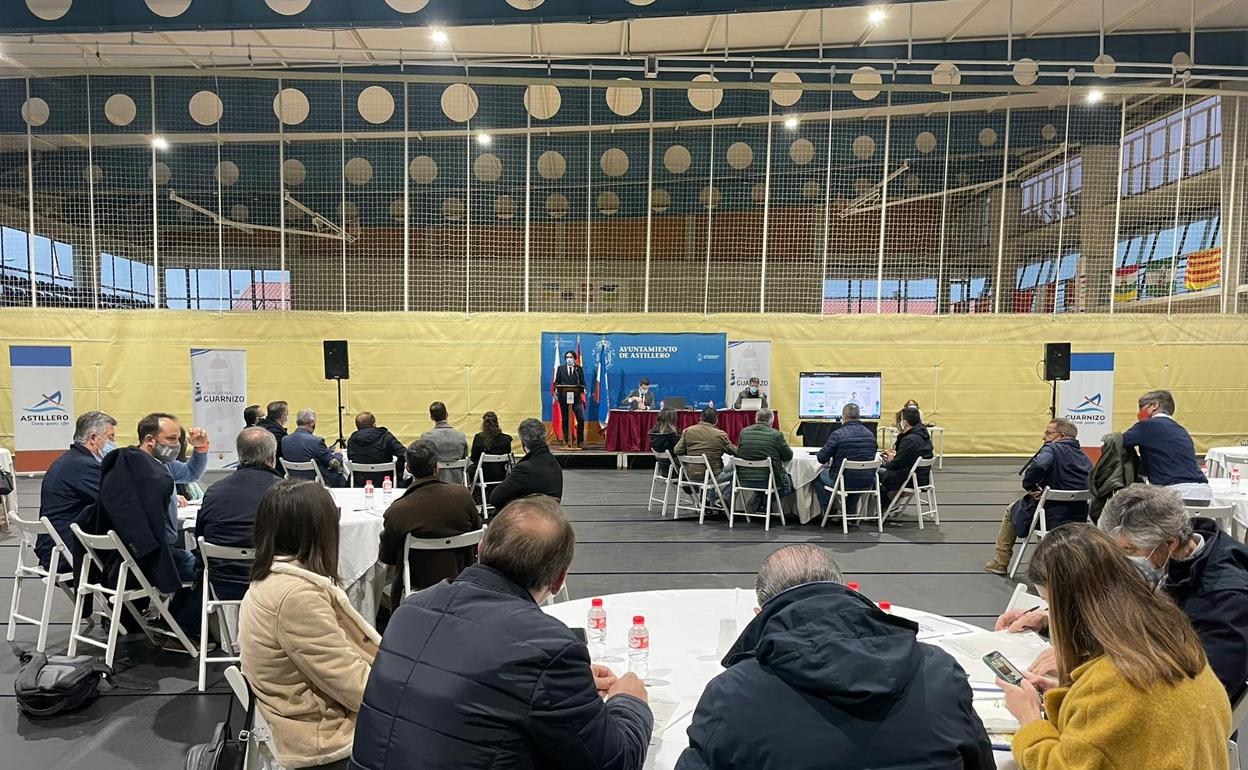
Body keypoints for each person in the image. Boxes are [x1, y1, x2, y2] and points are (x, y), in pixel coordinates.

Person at [349, 496, 652, 770]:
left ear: (480, 549)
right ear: (559, 580)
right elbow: (615, 762)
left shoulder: (410, 612)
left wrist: (565, 689)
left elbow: (466, 681)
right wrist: (629, 701)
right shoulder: (548, 648)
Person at [676, 544, 994, 770]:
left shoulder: (732, 694)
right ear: (844, 591)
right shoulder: (940, 671)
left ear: (761, 613)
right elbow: (979, 760)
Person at [996, 525, 1231, 770]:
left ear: (1070, 606)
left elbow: (1062, 765)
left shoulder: (1111, 683)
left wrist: (1030, 720)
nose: (1050, 614)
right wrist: (1071, 695)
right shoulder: (1170, 639)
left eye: (1048, 603)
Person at [239, 480, 380, 770]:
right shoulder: (296, 596)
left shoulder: (274, 581)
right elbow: (351, 683)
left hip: (302, 718)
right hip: (321, 736)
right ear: (318, 530)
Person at [1098, 483, 1248, 701]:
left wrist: (1111, 668)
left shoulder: (1223, 597)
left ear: (1170, 543)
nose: (1124, 560)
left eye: (1131, 550)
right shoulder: (1169, 559)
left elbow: (1209, 690)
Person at [84, 413, 203, 637]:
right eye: (171, 439)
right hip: (149, 561)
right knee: (206, 568)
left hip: (118, 562)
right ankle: (180, 629)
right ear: (150, 440)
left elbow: (190, 473)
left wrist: (201, 448)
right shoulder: (153, 476)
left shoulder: (130, 464)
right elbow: (163, 535)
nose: (177, 445)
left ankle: (170, 621)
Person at [377, 439, 483, 603]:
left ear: (408, 468)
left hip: (418, 584)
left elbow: (387, 556)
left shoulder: (398, 511)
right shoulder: (462, 496)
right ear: (437, 467)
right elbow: (477, 533)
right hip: (462, 577)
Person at [985, 419, 1093, 575]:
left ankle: (1000, 562)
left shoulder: (1051, 449)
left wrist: (1030, 486)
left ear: (1061, 436)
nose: (1044, 437)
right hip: (1078, 520)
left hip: (1050, 516)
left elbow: (1041, 464)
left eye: (1048, 433)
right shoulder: (1085, 457)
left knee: (1011, 510)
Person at [194, 427, 283, 600]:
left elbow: (201, 535)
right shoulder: (285, 491)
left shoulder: (214, 491)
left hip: (222, 582)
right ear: (272, 458)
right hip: (272, 580)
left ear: (239, 455)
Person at [36, 410, 116, 571]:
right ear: (93, 438)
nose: (114, 442)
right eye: (110, 437)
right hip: (69, 554)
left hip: (53, 549)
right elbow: (115, 500)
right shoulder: (84, 466)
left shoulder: (68, 461)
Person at [1123, 389, 1211, 500]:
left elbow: (1118, 441)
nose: (1140, 412)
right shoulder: (1181, 430)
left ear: (1155, 405)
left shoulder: (1147, 426)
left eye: (1142, 407)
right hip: (1203, 492)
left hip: (1173, 493)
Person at [813, 403, 878, 520]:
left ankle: (829, 508)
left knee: (816, 476)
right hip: (867, 481)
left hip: (843, 481)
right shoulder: (870, 435)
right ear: (859, 416)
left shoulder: (837, 435)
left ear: (844, 417)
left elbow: (821, 458)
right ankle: (851, 513)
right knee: (857, 473)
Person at [489, 418, 563, 511]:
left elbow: (495, 498)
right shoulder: (553, 463)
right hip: (552, 515)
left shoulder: (525, 469)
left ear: (523, 442)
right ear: (544, 437)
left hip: (531, 519)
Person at [733, 407, 794, 499]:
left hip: (743, 479)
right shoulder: (776, 435)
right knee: (789, 486)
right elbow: (788, 457)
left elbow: (740, 452)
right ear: (771, 421)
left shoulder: (744, 432)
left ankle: (761, 501)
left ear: (756, 419)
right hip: (766, 480)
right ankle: (763, 502)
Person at [880, 406, 933, 512]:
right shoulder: (924, 436)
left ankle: (882, 506)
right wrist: (898, 455)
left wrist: (888, 461)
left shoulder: (909, 439)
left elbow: (897, 464)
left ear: (905, 421)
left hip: (907, 478)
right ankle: (887, 505)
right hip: (922, 477)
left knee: (875, 472)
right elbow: (909, 457)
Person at [281, 408, 349, 488]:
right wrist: (338, 454)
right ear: (312, 423)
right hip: (316, 481)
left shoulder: (285, 440)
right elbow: (334, 463)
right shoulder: (316, 441)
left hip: (294, 481)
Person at [346, 411, 406, 488]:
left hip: (359, 483)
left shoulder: (352, 440)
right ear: (374, 424)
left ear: (357, 427)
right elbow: (403, 454)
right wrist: (398, 469)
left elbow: (350, 458)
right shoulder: (386, 436)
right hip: (386, 482)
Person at [674, 406, 736, 479]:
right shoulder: (720, 435)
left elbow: (677, 450)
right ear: (716, 420)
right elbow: (734, 452)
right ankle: (714, 490)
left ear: (700, 418)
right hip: (713, 474)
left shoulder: (687, 431)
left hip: (690, 473)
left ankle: (707, 490)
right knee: (735, 470)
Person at [419, 401, 469, 484]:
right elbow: (465, 459)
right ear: (447, 414)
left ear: (431, 417)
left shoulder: (425, 437)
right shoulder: (461, 436)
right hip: (457, 483)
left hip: (434, 484)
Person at [468, 410, 513, 488]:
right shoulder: (507, 439)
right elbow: (506, 460)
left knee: (468, 470)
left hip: (482, 475)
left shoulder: (478, 438)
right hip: (500, 475)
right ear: (497, 423)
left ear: (483, 424)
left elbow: (473, 458)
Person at [553, 350, 587, 448]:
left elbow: (583, 382)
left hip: (576, 399)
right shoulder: (560, 368)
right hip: (563, 398)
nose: (569, 359)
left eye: (571, 357)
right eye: (567, 357)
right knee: (565, 419)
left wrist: (582, 387)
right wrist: (556, 389)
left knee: (580, 418)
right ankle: (567, 441)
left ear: (574, 358)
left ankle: (580, 441)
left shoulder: (578, 369)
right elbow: (556, 382)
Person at [256, 400, 290, 474]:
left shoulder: (259, 427)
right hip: (272, 472)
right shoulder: (277, 434)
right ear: (282, 417)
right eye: (287, 414)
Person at [174, 427, 206, 501]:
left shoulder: (172, 466)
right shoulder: (144, 468)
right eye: (170, 438)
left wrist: (200, 447)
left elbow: (192, 473)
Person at [648, 406, 681, 475]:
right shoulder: (671, 435)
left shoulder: (654, 434)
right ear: (674, 419)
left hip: (665, 468)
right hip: (677, 470)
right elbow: (679, 450)